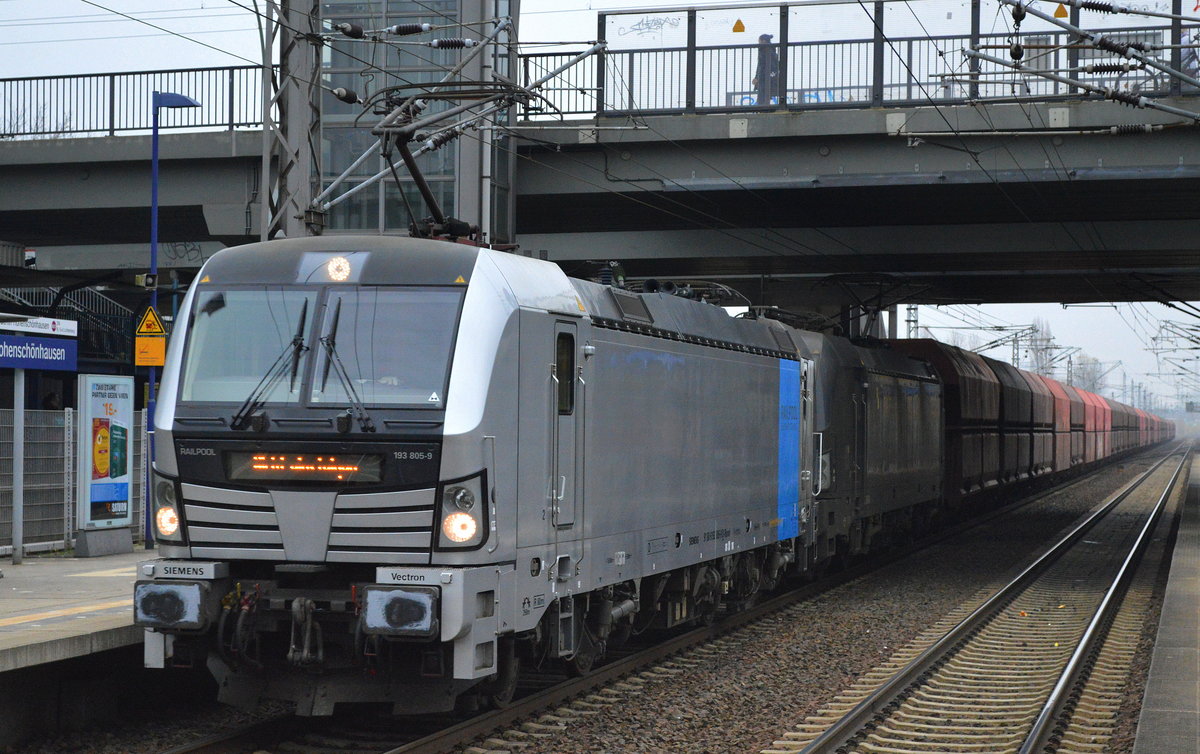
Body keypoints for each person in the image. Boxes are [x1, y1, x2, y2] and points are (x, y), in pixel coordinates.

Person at [754, 33, 779, 106]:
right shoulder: (769, 52)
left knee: (762, 99)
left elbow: (762, 67)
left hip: (765, 80)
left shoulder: (767, 52)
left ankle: (763, 111)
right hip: (765, 79)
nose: (758, 43)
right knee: (764, 99)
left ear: (763, 41)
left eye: (759, 41)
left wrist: (758, 77)